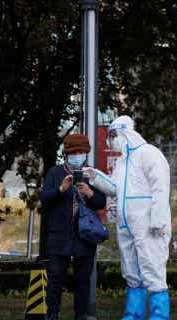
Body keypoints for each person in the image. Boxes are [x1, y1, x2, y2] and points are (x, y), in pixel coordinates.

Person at [84, 115, 171, 320]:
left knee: (152, 266)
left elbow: (161, 188)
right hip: (126, 224)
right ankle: (134, 314)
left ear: (124, 132)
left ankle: (159, 315)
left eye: (113, 135)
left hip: (148, 224)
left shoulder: (150, 154)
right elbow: (115, 188)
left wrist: (158, 219)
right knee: (131, 269)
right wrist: (95, 176)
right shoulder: (123, 162)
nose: (111, 141)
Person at [40, 133, 107, 320]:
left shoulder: (93, 174)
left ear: (86, 153)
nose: (78, 155)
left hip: (85, 236)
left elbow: (101, 202)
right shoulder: (55, 173)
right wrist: (60, 189)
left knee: (83, 280)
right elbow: (44, 199)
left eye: (82, 151)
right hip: (59, 235)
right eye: (74, 152)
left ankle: (81, 315)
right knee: (55, 278)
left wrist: (89, 192)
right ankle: (52, 314)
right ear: (67, 153)